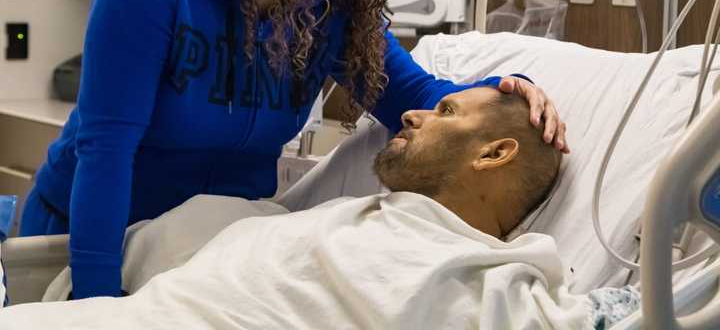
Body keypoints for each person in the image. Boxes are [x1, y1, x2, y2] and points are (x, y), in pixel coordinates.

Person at [19, 0, 568, 300]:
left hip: (195, 253)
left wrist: (510, 90)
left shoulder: (330, 9)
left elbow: (420, 95)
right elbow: (106, 151)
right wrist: (96, 305)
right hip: (89, 237)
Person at [1, 88, 639, 329]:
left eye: (446, 112)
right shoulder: (320, 220)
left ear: (495, 154)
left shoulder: (482, 283)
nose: (415, 112)